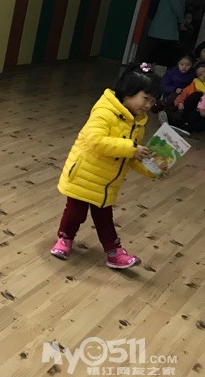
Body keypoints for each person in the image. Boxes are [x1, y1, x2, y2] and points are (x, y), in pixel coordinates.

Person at [50, 62, 162, 270]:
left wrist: (152, 169)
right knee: (75, 213)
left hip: (107, 182)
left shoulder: (137, 122)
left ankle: (113, 253)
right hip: (84, 174)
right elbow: (96, 141)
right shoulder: (105, 111)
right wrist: (132, 149)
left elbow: (130, 156)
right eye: (145, 98)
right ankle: (64, 239)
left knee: (105, 219)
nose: (148, 105)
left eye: (153, 101)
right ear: (128, 93)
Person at [145, 0, 189, 67]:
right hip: (164, 33)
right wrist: (182, 21)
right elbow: (177, 8)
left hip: (164, 32)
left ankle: (147, 73)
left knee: (155, 58)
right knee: (160, 59)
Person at [158, 60, 205, 136]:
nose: (203, 75)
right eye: (200, 75)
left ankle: (183, 126)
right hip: (193, 108)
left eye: (204, 71)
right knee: (197, 95)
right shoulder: (196, 83)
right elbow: (185, 92)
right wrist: (180, 102)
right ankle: (173, 118)